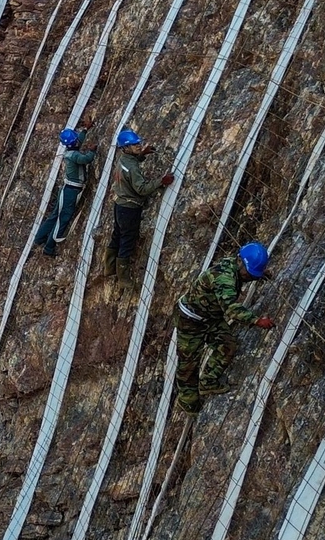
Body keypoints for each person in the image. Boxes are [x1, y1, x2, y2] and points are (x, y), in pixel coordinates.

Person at [172, 242, 274, 414]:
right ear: (241, 263)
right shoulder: (225, 278)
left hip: (210, 318)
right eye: (250, 274)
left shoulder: (235, 265)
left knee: (227, 345)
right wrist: (256, 320)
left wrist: (259, 274)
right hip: (189, 319)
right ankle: (188, 402)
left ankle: (208, 383)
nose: (250, 278)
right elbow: (231, 309)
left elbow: (244, 275)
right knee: (188, 363)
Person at [107, 129, 171, 280]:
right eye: (134, 145)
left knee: (117, 234)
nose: (138, 146)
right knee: (127, 240)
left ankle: (109, 267)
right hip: (130, 208)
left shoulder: (123, 159)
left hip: (120, 205)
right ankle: (123, 279)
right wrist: (161, 181)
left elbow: (131, 165)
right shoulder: (132, 168)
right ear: (125, 148)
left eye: (138, 143)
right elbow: (141, 189)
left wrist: (142, 154)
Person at [33, 126, 95, 256]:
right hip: (71, 192)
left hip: (67, 190)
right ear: (74, 142)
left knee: (55, 216)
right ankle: (49, 247)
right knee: (63, 218)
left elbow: (78, 141)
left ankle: (39, 238)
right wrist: (92, 151)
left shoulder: (70, 152)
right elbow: (86, 159)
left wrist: (85, 130)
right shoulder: (74, 156)